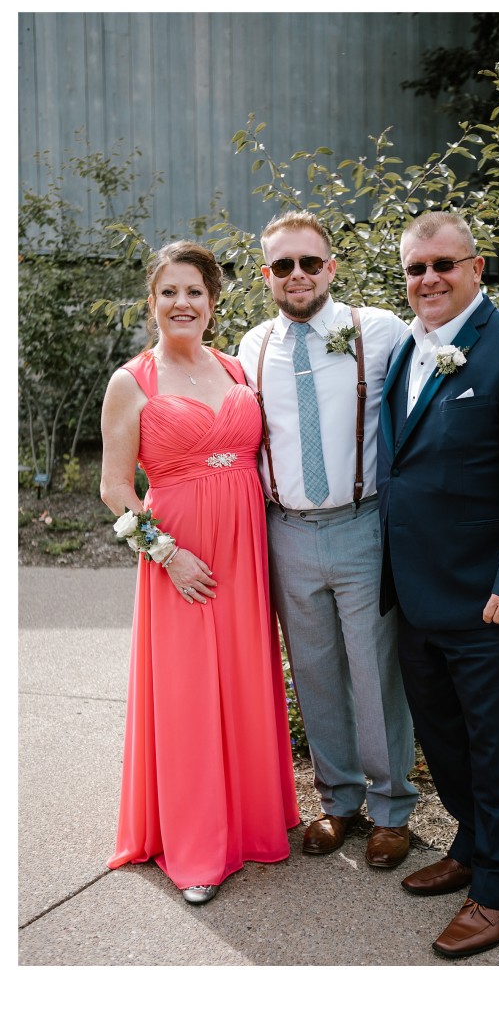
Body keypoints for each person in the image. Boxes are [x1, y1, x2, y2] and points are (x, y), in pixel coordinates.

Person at [377, 212, 499, 957]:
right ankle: (469, 842)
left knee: (496, 747)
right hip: (419, 592)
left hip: (494, 597)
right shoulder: (408, 349)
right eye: (414, 269)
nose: (427, 279)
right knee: (444, 737)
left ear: (477, 268)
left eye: (442, 265)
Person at [101, 240, 299, 904]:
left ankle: (248, 822)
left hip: (245, 553)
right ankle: (196, 846)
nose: (181, 303)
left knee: (242, 680)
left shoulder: (239, 370)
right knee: (187, 696)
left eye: (194, 292)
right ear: (151, 301)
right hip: (180, 561)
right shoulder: (133, 381)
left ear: (213, 303)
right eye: (169, 292)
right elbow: (114, 489)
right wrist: (167, 554)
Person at [238, 210, 418, 869]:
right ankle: (338, 801)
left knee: (375, 673)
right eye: (283, 265)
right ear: (267, 275)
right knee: (312, 672)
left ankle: (393, 808)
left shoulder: (379, 332)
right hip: (286, 531)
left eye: (309, 262)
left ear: (331, 268)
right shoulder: (252, 349)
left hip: (363, 525)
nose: (297, 275)